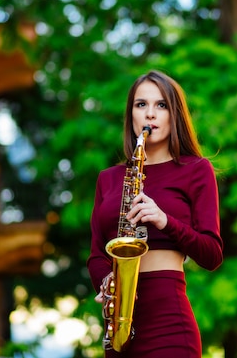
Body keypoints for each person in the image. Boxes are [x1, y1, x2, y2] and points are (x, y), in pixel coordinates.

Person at [87, 70, 223, 358]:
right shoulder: (108, 178)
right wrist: (105, 280)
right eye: (141, 105)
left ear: (175, 115)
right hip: (120, 324)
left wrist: (164, 220)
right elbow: (97, 253)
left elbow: (211, 254)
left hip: (170, 324)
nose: (150, 114)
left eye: (161, 105)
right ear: (131, 115)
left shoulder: (196, 170)